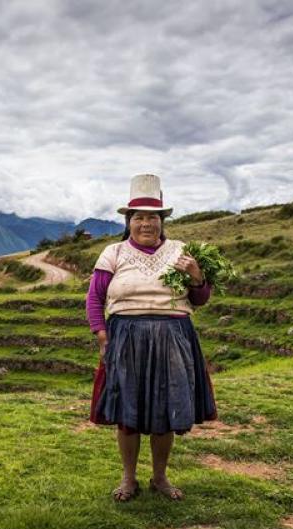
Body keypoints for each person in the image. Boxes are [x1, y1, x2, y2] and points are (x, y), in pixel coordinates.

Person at [85, 173, 217, 502]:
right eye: (139, 217)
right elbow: (95, 298)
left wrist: (197, 276)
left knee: (166, 412)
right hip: (126, 338)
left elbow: (200, 298)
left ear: (162, 221)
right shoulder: (113, 253)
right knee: (127, 413)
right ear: (128, 222)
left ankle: (160, 477)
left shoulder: (182, 251)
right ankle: (128, 479)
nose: (146, 223)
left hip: (174, 337)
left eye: (153, 217)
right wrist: (101, 334)